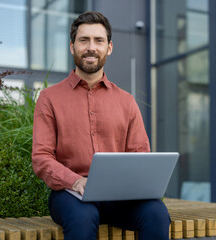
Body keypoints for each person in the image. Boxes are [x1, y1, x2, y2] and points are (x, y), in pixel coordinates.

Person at [31, 11, 171, 240]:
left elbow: (140, 154)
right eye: (84, 40)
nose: (91, 47)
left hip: (120, 197)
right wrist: (75, 181)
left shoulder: (126, 101)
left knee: (156, 213)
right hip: (70, 194)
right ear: (72, 46)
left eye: (99, 40)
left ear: (109, 47)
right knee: (83, 217)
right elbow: (41, 157)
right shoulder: (49, 98)